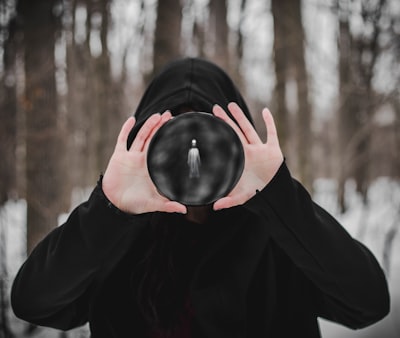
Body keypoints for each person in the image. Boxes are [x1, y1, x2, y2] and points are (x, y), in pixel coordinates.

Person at [11, 58, 389, 338]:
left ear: (236, 143)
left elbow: (368, 303)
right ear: (146, 143)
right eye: (171, 140)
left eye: (208, 138)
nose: (193, 158)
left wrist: (278, 196)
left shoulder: (277, 232)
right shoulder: (116, 237)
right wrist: (109, 208)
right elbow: (33, 301)